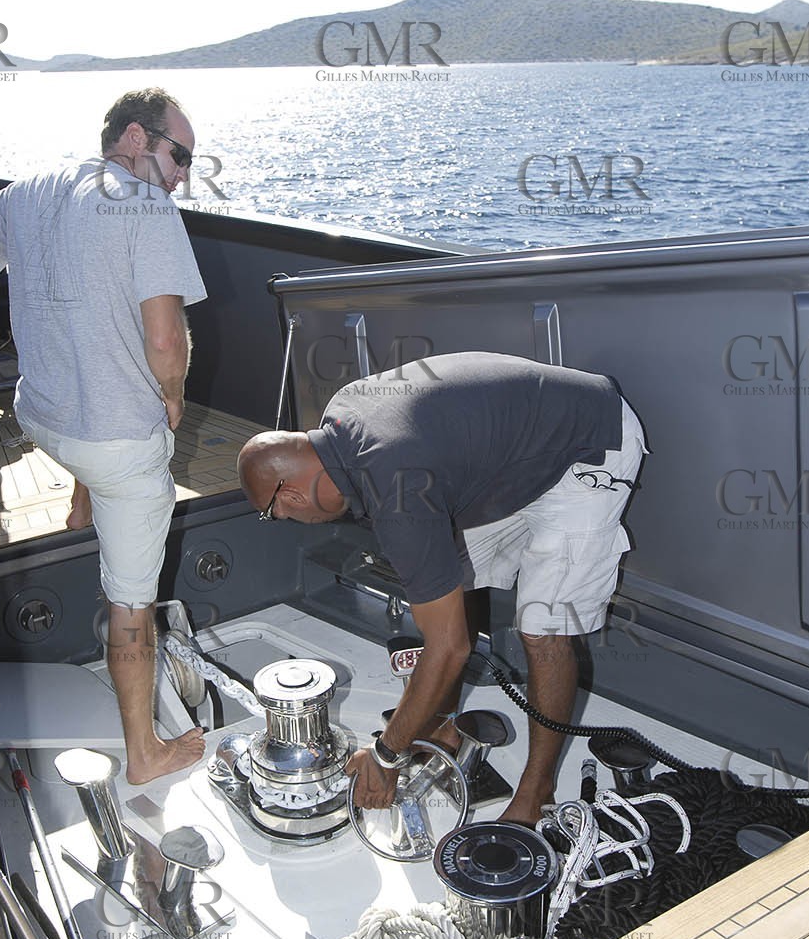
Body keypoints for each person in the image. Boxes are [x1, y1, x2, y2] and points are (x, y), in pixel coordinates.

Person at [0, 87, 208, 785]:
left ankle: (81, 506)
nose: (182, 176)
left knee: (96, 407)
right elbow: (165, 340)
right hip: (115, 446)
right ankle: (145, 752)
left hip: (42, 421)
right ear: (136, 140)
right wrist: (171, 395)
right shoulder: (147, 207)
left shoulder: (29, 192)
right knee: (131, 603)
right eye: (179, 156)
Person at [237, 351, 646, 818]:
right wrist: (416, 725)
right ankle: (441, 727)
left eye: (278, 513)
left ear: (289, 492)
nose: (290, 520)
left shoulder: (395, 486)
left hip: (589, 444)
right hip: (518, 452)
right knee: (456, 582)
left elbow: (449, 646)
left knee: (543, 630)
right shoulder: (341, 419)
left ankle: (538, 790)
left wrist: (387, 753)